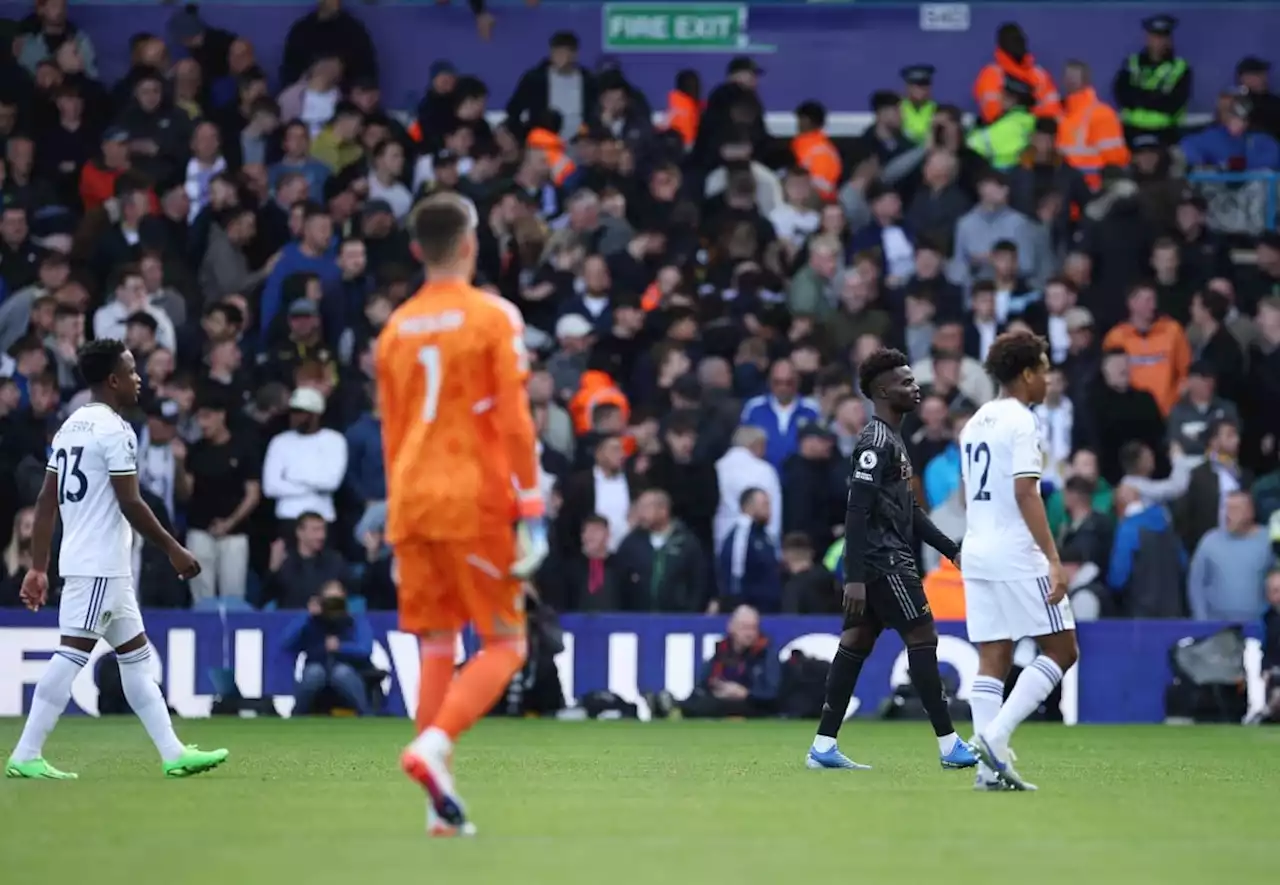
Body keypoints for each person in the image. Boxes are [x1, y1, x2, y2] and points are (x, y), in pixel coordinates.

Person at [376, 193, 544, 837]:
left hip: (411, 502)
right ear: (471, 244)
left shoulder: (394, 330)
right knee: (505, 643)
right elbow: (515, 419)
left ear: (418, 249)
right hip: (473, 499)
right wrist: (530, 503)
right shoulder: (491, 317)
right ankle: (433, 745)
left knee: (437, 644)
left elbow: (391, 434)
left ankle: (436, 809)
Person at [6, 339, 227, 780]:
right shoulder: (115, 430)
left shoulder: (71, 426)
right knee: (71, 654)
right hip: (100, 564)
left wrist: (37, 565)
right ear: (112, 380)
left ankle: (173, 752)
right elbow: (131, 502)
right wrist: (173, 548)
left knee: (137, 659)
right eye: (131, 371)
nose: (138, 378)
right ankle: (26, 753)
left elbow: (46, 501)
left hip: (99, 565)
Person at [805, 348, 978, 772]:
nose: (914, 386)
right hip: (883, 561)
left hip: (883, 559)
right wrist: (856, 578)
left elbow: (911, 512)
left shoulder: (894, 439)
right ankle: (950, 745)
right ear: (882, 391)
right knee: (922, 636)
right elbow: (856, 511)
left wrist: (950, 549)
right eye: (905, 382)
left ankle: (824, 745)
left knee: (856, 643)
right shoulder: (875, 441)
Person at [959, 331, 1079, 791]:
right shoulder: (1023, 422)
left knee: (994, 656)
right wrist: (1052, 557)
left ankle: (989, 773)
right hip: (1016, 553)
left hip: (979, 549)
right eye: (1044, 370)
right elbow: (1026, 491)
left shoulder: (974, 422)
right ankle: (996, 736)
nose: (1047, 379)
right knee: (1063, 650)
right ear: (1027, 373)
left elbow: (971, 496)